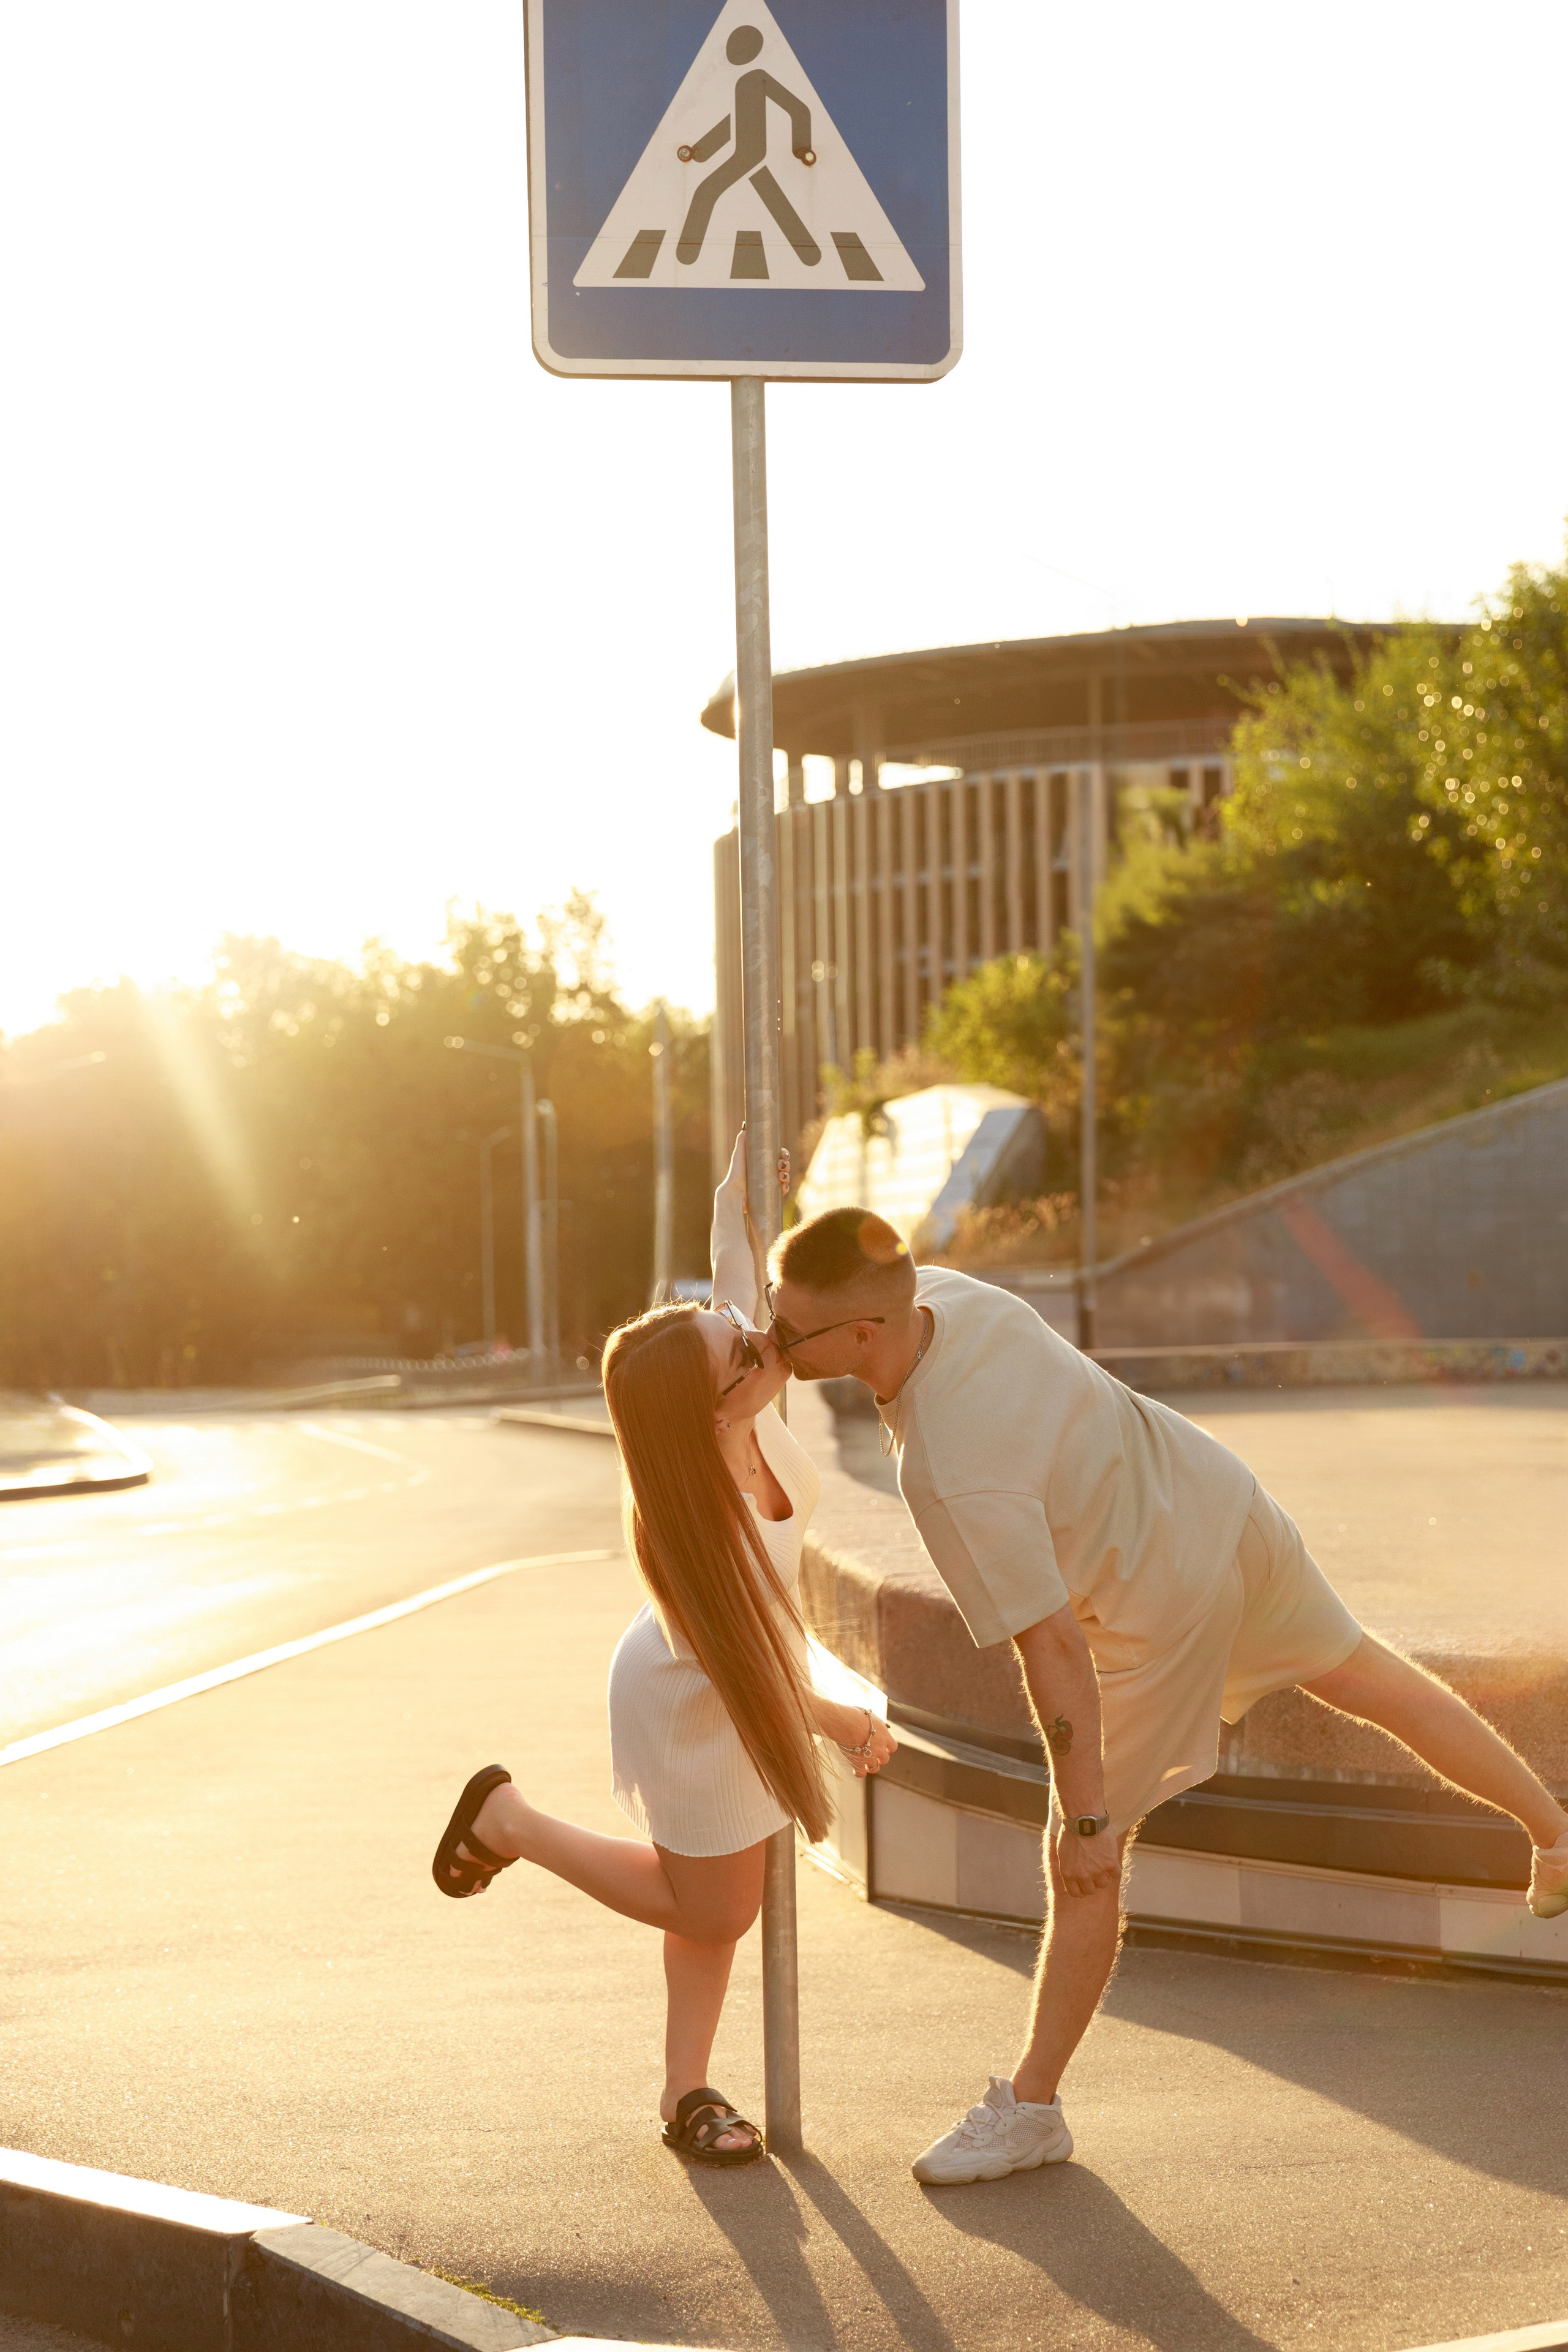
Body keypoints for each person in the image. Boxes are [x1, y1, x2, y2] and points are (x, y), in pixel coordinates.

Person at [765, 1207, 1568, 2186]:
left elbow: (1053, 1645)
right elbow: (849, 1275)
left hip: (1161, 1609)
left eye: (787, 1325)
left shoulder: (948, 1471)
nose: (771, 1333)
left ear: (861, 1340)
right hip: (1216, 1498)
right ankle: (1553, 1833)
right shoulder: (946, 1296)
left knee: (1086, 1863)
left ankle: (1032, 2109)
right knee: (1370, 1677)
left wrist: (1090, 1809)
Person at [430, 1139, 895, 2168]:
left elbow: (733, 1290)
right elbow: (752, 1672)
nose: (755, 1330)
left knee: (713, 1908)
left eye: (734, 1326)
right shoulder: (699, 1537)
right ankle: (509, 1821)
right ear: (717, 1403)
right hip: (691, 1696)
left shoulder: (744, 1402)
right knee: (717, 1907)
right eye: (738, 1344)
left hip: (742, 1680)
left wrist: (736, 1200)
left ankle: (685, 2092)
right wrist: (846, 1718)